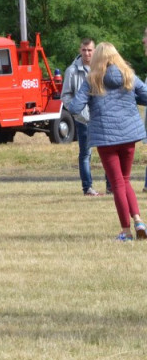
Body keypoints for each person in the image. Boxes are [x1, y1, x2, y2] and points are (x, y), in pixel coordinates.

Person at [65, 42, 147, 241]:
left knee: (118, 183)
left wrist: (88, 110)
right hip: (129, 136)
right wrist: (130, 98)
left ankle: (126, 231)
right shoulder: (129, 75)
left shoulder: (92, 80)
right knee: (125, 180)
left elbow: (75, 106)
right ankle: (138, 221)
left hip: (105, 137)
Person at [62, 38, 103, 196]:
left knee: (107, 151)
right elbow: (66, 96)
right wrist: (77, 112)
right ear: (80, 50)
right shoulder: (71, 71)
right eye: (84, 50)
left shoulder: (101, 69)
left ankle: (111, 186)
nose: (87, 53)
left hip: (100, 118)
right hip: (83, 120)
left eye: (90, 50)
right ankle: (88, 188)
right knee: (86, 154)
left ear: (95, 51)